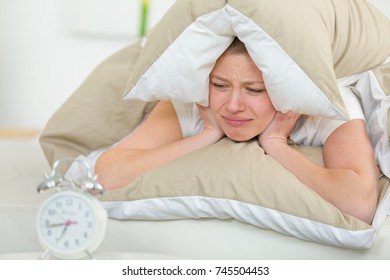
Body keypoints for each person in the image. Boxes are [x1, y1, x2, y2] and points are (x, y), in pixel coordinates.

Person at [95, 37, 379, 224]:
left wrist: (277, 144)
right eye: (220, 85)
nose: (232, 106)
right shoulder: (194, 100)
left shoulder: (326, 105)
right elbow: (105, 175)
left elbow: (358, 204)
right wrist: (205, 136)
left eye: (254, 90)